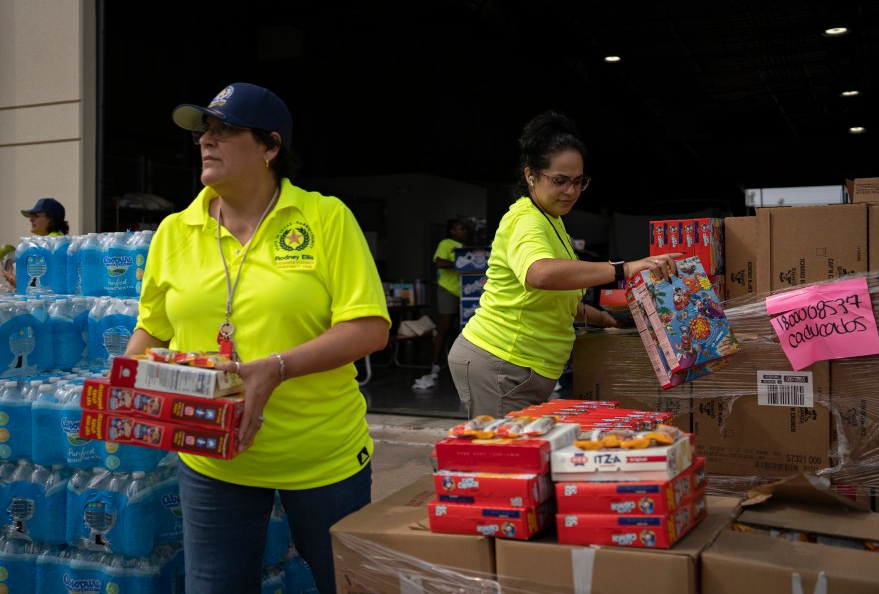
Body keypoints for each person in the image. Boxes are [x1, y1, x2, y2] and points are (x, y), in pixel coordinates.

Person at [122, 82, 390, 594]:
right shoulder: (175, 231)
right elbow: (153, 326)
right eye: (203, 132)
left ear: (270, 147)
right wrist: (127, 380)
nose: (206, 140)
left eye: (224, 130)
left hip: (321, 456)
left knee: (350, 584)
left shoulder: (325, 218)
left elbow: (369, 327)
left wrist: (277, 366)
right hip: (212, 456)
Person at [447, 110, 680, 419]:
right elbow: (541, 274)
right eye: (560, 181)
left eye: (578, 181)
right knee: (508, 449)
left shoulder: (552, 220)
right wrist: (624, 268)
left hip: (520, 367)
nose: (571, 191)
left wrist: (604, 318)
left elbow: (553, 297)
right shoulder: (526, 220)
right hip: (501, 363)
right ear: (531, 175)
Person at [413, 219, 469, 390]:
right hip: (447, 290)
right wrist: (459, 264)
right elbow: (439, 262)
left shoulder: (466, 247)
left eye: (465, 229)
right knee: (444, 328)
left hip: (465, 292)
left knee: (466, 330)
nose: (464, 232)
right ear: (452, 231)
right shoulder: (446, 243)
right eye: (461, 229)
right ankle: (435, 364)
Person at [2, 197, 70, 290]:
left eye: (36, 215)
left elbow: (41, 285)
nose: (31, 219)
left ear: (51, 218)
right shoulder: (57, 240)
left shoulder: (51, 242)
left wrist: (15, 281)